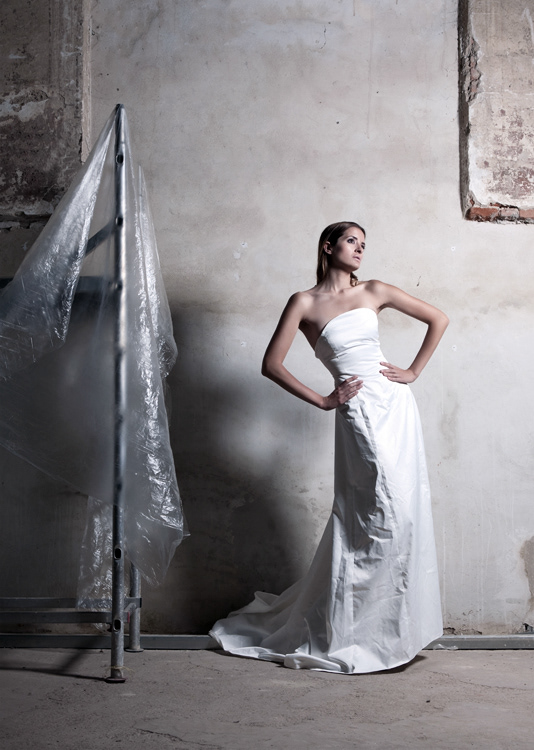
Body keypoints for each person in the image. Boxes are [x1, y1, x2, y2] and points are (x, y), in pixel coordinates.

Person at [210, 221, 449, 673]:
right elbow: (271, 364)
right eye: (351, 240)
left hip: (395, 406)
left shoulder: (374, 290)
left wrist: (413, 371)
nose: (359, 249)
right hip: (357, 410)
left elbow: (439, 318)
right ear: (328, 245)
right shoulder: (303, 302)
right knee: (376, 513)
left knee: (404, 511)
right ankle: (352, 631)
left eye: (364, 243)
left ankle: (393, 632)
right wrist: (323, 400)